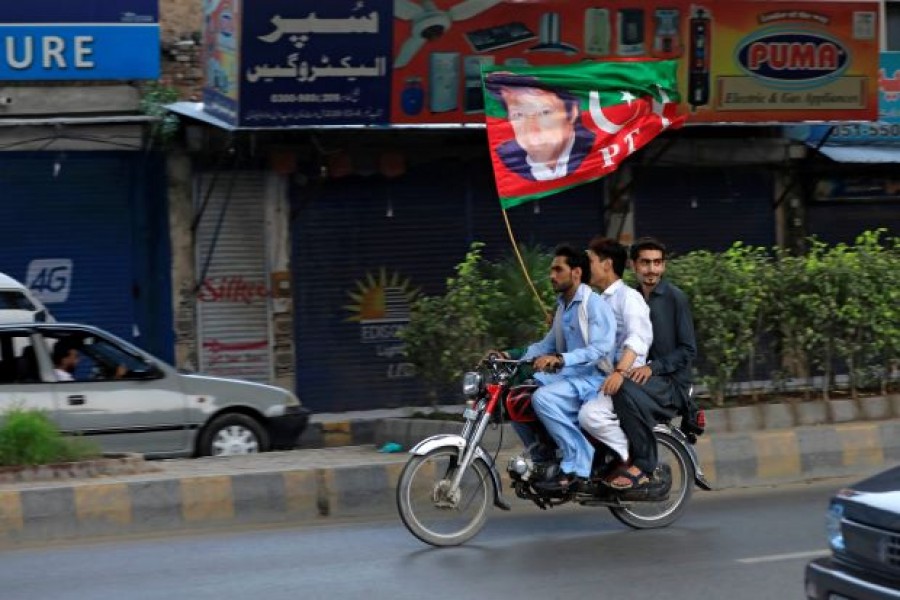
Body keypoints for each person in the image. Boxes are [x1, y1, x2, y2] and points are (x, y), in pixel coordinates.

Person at [509, 244, 616, 492]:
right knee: (515, 397)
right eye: (551, 270)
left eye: (558, 269)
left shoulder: (593, 304)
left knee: (543, 399)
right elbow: (546, 345)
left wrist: (561, 359)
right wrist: (511, 355)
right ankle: (543, 457)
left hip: (594, 379)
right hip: (570, 378)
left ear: (576, 272)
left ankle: (579, 459)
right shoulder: (563, 307)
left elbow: (601, 348)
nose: (552, 275)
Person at [612, 237, 700, 481]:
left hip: (670, 385)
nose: (651, 269)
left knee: (620, 388)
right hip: (641, 377)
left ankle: (644, 463)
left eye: (657, 263)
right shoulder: (631, 297)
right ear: (633, 265)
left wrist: (653, 368)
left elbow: (688, 349)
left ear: (664, 266)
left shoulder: (675, 298)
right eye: (645, 263)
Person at [577, 237, 654, 490]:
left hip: (625, 380)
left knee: (590, 415)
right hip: (599, 376)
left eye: (589, 261)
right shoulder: (596, 301)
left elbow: (638, 339)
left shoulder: (628, 297)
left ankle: (628, 459)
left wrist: (621, 372)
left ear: (607, 264)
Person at [486, 73, 596, 182]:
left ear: (572, 112)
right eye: (518, 115)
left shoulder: (597, 149)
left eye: (545, 112)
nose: (533, 131)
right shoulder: (502, 160)